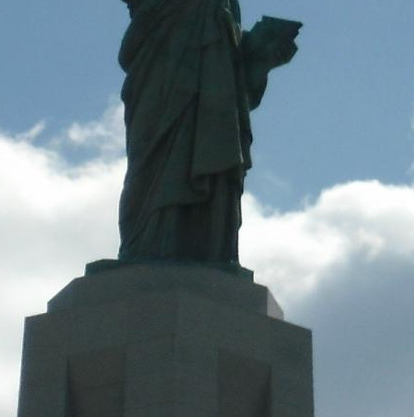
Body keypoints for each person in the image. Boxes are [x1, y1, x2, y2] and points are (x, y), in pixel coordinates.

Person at [117, 0, 299, 263]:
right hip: (159, 83)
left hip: (213, 108)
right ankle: (145, 247)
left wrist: (261, 53)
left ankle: (203, 248)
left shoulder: (224, 4)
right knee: (152, 166)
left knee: (211, 161)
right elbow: (133, 44)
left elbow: (234, 76)